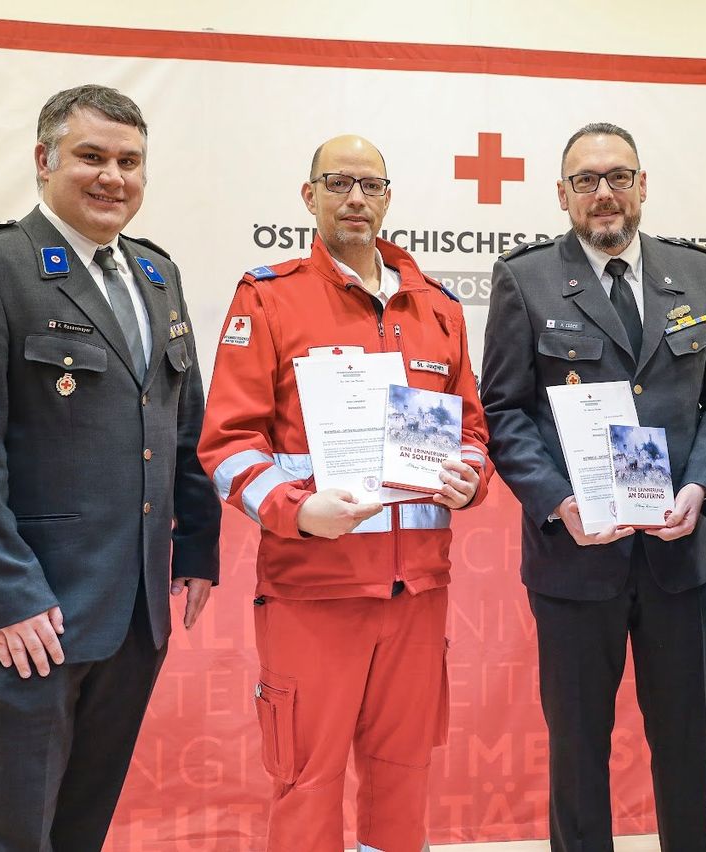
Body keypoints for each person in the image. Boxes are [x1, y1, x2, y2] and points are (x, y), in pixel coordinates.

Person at [0, 84, 221, 849]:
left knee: (84, 826)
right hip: (33, 614)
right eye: (91, 156)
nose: (112, 177)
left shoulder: (156, 275)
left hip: (136, 609)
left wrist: (198, 547)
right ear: (44, 160)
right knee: (17, 833)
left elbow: (183, 423)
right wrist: (8, 596)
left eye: (129, 162)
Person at [198, 134, 490, 852]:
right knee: (307, 781)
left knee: (403, 778)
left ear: (388, 198)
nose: (355, 198)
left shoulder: (438, 308)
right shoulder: (268, 297)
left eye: (370, 185)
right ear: (310, 196)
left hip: (416, 593)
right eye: (338, 184)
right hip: (314, 590)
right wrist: (297, 510)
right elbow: (228, 444)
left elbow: (472, 431)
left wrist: (469, 478)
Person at [480, 122, 706, 851]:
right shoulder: (526, 278)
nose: (604, 193)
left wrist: (701, 488)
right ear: (562, 193)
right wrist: (557, 502)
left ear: (643, 186)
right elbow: (503, 409)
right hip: (575, 557)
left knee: (686, 745)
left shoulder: (695, 272)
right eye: (587, 180)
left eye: (619, 176)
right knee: (577, 750)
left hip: (678, 556)